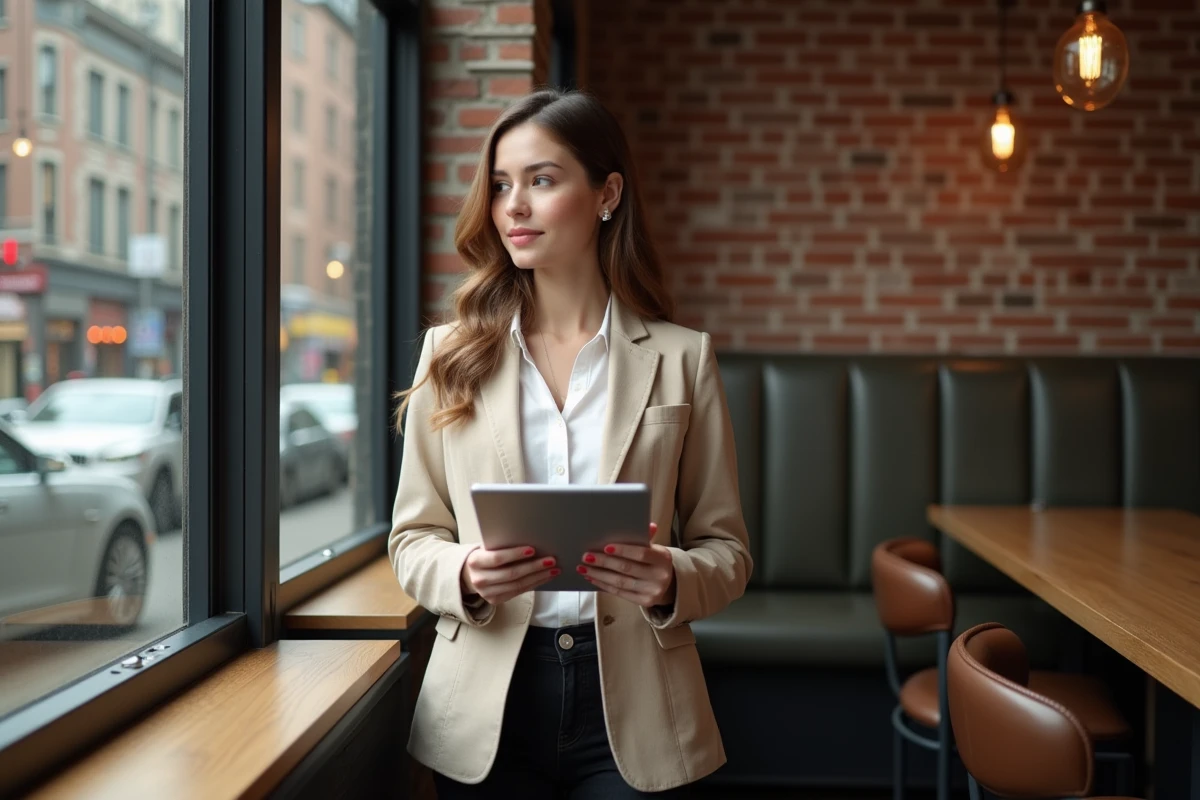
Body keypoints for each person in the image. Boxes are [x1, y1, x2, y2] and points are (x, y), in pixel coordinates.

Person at [389, 88, 752, 798]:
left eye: (542, 180)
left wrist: (671, 578)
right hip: (486, 701)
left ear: (606, 194)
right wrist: (465, 572)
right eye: (501, 186)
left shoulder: (682, 358)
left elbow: (728, 552)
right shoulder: (449, 354)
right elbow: (411, 540)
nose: (513, 207)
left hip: (638, 703)